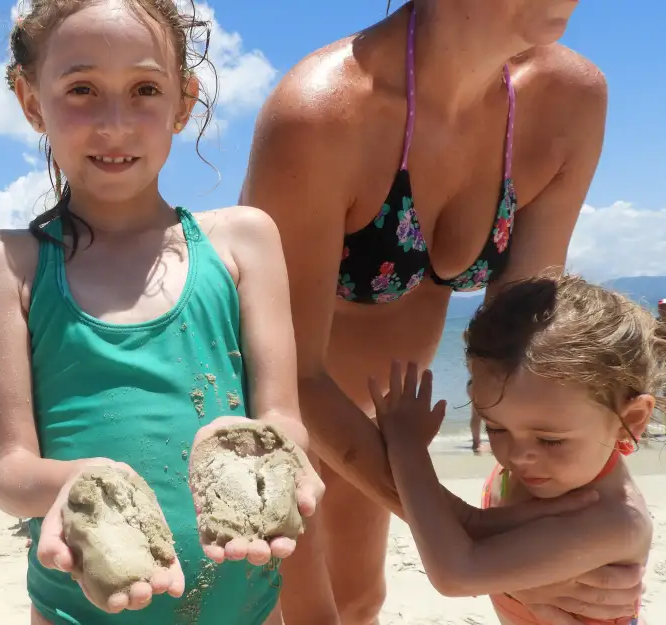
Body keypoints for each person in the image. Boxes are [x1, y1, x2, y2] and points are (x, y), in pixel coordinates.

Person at [239, 1, 643, 623]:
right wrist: (478, 538)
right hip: (266, 411)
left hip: (377, 418)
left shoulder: (567, 100)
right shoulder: (324, 114)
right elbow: (288, 371)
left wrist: (602, 484)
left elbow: (526, 347)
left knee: (360, 601)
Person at [0, 1, 323, 623]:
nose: (115, 123)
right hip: (75, 610)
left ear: (183, 103)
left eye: (144, 89)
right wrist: (81, 480)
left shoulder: (243, 242)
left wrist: (276, 453)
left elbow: (283, 418)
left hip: (245, 605)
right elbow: (10, 473)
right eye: (81, 89)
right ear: (31, 102)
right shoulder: (9, 264)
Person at [374, 275, 657, 624]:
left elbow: (457, 573)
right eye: (495, 427)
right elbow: (465, 527)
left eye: (550, 439)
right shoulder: (542, 471)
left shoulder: (614, 522)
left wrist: (407, 449)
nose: (517, 455)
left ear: (632, 418)